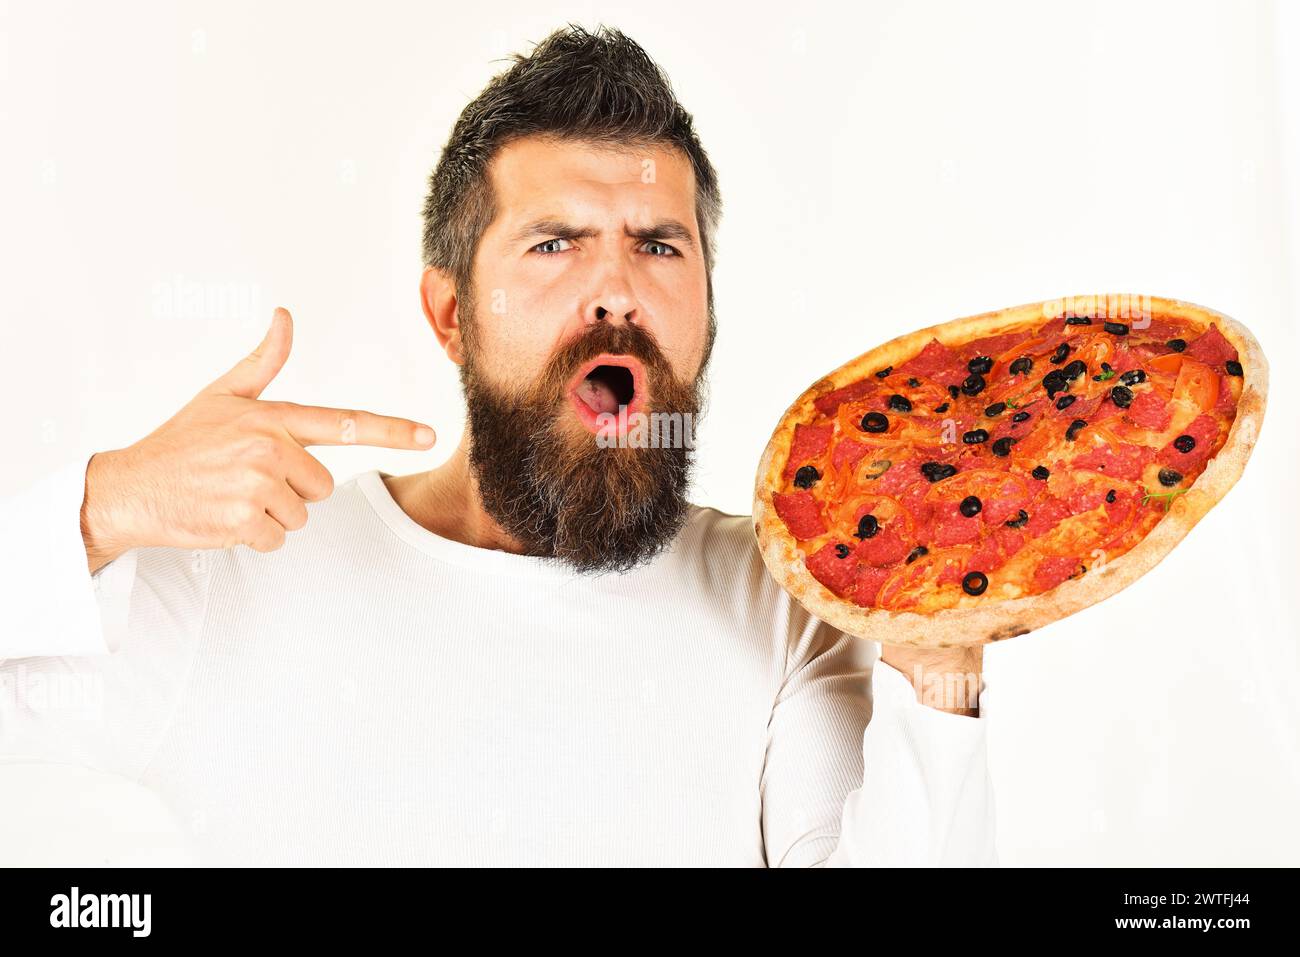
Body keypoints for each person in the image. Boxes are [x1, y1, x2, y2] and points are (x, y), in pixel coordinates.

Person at [0, 24, 994, 866]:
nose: (618, 290)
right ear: (450, 314)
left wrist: (938, 677)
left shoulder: (786, 602)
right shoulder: (243, 577)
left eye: (659, 244)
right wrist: (101, 507)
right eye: (554, 244)